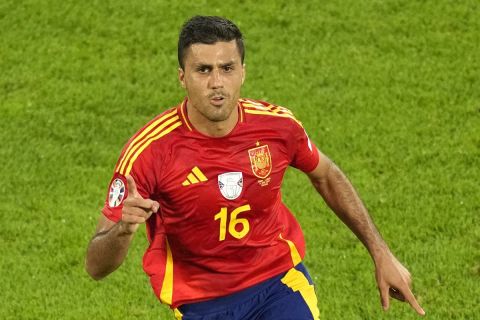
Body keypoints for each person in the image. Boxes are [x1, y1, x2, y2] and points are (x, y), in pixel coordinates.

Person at [85, 16, 425, 319]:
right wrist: (123, 231)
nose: (217, 82)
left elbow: (326, 175)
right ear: (182, 77)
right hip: (202, 304)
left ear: (243, 72)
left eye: (227, 68)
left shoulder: (277, 128)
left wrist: (381, 253)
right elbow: (95, 266)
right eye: (203, 70)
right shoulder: (148, 152)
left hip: (278, 284)